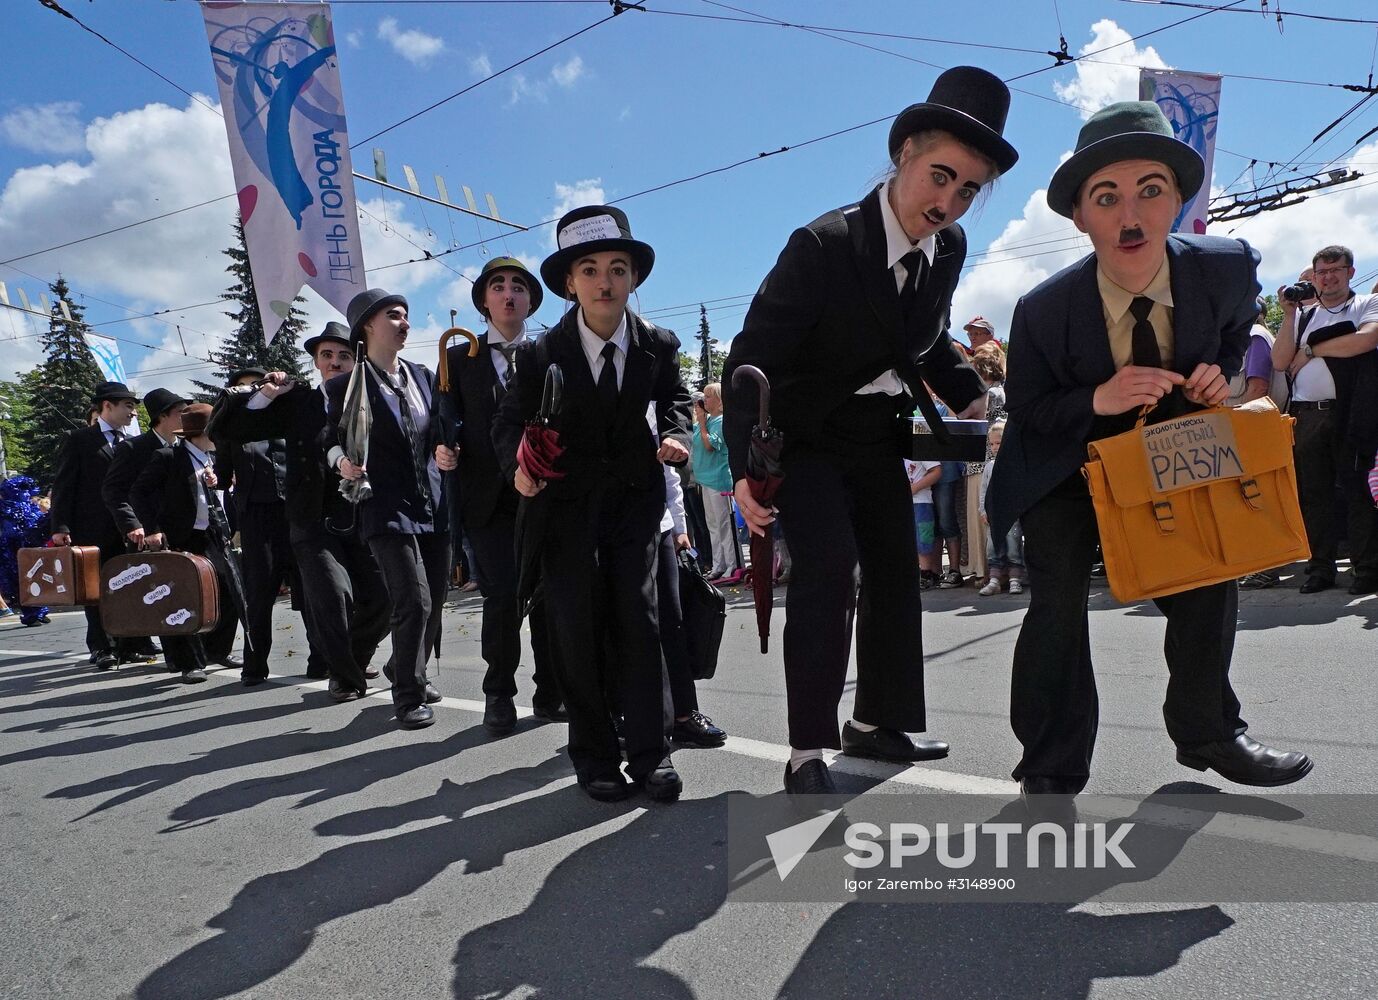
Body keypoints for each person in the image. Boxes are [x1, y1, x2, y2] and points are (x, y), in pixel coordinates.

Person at [986, 100, 1312, 806]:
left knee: (1206, 579)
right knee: (1058, 606)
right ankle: (1049, 765)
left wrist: (1220, 372)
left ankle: (1208, 732)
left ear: (1177, 201)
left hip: (1168, 450)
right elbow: (1033, 414)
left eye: (1150, 191)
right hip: (1065, 466)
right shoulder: (1042, 310)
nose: (1130, 216)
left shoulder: (1225, 269)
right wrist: (1098, 399)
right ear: (1081, 217)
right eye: (1107, 198)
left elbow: (1232, 338)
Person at [724, 67, 1017, 794]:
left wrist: (972, 393)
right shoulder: (824, 244)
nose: (948, 203)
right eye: (940, 177)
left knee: (895, 575)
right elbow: (748, 359)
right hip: (808, 436)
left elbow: (919, 339)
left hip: (877, 435)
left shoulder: (946, 252)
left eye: (968, 191)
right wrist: (741, 470)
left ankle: (880, 722)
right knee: (827, 570)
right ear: (905, 153)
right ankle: (807, 744)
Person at [494, 204, 693, 803]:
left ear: (633, 277)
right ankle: (594, 756)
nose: (605, 281)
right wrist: (518, 471)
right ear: (568, 283)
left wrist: (675, 433)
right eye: (590, 269)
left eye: (617, 268)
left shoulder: (657, 342)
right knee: (576, 628)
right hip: (566, 507)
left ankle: (651, 754)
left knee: (641, 621)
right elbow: (506, 424)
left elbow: (677, 396)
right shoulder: (538, 354)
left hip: (635, 501)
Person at [217, 322, 392, 702]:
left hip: (365, 515)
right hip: (311, 519)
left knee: (382, 596)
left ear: (357, 358)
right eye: (327, 355)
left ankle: (354, 658)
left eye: (344, 355)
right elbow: (234, 428)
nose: (335, 362)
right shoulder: (299, 403)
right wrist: (265, 393)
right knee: (332, 596)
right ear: (315, 362)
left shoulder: (376, 399)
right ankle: (344, 676)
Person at [434, 256, 565, 735]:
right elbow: (442, 419)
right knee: (504, 598)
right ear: (484, 300)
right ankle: (499, 694)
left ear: (531, 300)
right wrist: (442, 450)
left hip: (545, 496)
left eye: (518, 287)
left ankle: (551, 692)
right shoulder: (457, 359)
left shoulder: (551, 352)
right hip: (488, 501)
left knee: (551, 596)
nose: (509, 293)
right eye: (498, 286)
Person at [328, 290, 451, 730]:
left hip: (433, 501)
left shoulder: (423, 375)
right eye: (393, 315)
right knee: (413, 599)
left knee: (435, 600)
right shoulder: (345, 385)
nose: (404, 323)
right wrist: (340, 460)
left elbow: (439, 428)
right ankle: (408, 697)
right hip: (383, 504)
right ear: (368, 326)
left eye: (406, 316)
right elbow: (331, 439)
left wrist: (446, 450)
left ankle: (402, 664)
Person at [1272, 245, 1378, 596]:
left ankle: (1366, 568)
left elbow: (1364, 341)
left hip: (1350, 411)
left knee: (1357, 490)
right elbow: (1278, 360)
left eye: (1336, 269)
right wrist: (1289, 315)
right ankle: (1321, 568)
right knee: (1314, 495)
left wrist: (1312, 349)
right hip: (1306, 414)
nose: (1328, 277)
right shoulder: (1304, 316)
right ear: (1313, 276)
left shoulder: (1365, 304)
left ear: (1350, 271)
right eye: (1322, 271)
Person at [130, 403, 241, 683]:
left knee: (228, 590)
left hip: (211, 534)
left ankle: (217, 649)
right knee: (181, 598)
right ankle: (187, 662)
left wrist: (217, 482)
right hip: (180, 536)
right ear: (202, 433)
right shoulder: (168, 457)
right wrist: (152, 528)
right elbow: (139, 492)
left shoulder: (209, 457)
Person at [49, 381, 140, 671]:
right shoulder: (80, 439)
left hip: (127, 528)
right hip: (92, 529)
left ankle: (130, 644)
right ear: (107, 406)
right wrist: (60, 527)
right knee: (96, 590)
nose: (133, 411)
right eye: (127, 405)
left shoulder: (133, 441)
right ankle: (102, 647)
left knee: (128, 586)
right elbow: (64, 486)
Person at [101, 387, 187, 666]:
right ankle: (158, 653)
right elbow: (114, 491)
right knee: (154, 593)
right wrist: (134, 525)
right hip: (146, 533)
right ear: (162, 417)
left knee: (182, 590)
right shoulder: (133, 448)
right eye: (180, 412)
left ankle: (190, 652)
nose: (186, 417)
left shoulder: (184, 446)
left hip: (181, 531)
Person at [655, 445, 727, 748]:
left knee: (674, 621)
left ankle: (685, 715)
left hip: (657, 526)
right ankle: (619, 714)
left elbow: (669, 475)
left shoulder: (654, 402)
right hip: (606, 527)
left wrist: (680, 527)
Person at [690, 383, 737, 582]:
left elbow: (710, 445)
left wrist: (701, 423)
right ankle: (719, 564)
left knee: (723, 523)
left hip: (718, 480)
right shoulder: (706, 420)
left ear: (719, 400)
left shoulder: (720, 421)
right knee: (712, 525)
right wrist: (699, 418)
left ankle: (732, 563)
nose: (704, 401)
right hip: (704, 479)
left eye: (708, 397)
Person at [977, 420, 1022, 595]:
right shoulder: (989, 467)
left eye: (998, 443)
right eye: (992, 444)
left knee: (1013, 545)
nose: (995, 447)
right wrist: (983, 510)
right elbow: (984, 490)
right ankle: (994, 579)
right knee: (993, 547)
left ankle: (1015, 579)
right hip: (994, 514)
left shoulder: (1015, 464)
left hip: (1011, 514)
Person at [904, 458, 942, 588]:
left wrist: (915, 487)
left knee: (923, 538)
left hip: (921, 502)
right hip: (902, 503)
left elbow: (936, 471)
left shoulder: (922, 449)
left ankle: (926, 573)